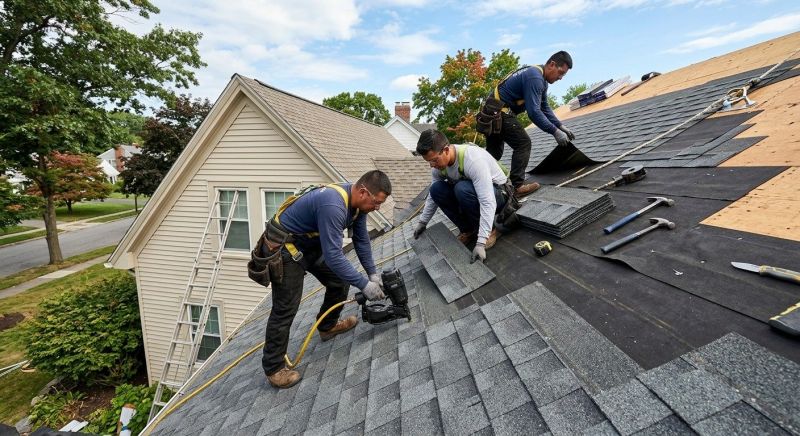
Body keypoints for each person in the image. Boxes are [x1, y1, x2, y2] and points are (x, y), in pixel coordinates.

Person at [258, 170, 390, 388]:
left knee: (339, 281)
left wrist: (372, 273)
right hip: (285, 248)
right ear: (364, 192)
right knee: (285, 308)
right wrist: (365, 285)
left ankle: (327, 326)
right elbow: (334, 256)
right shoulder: (334, 205)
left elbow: (361, 240)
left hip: (308, 244)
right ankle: (273, 369)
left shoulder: (357, 205)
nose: (377, 208)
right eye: (376, 202)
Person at [484, 50, 576, 197]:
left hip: (493, 112)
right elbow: (534, 113)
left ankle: (476, 177)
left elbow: (544, 107)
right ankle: (518, 186)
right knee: (523, 143)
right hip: (499, 112)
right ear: (552, 64)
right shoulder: (535, 78)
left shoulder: (541, 80)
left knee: (494, 153)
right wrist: (555, 132)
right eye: (560, 73)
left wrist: (560, 126)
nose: (560, 78)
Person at [413, 129, 510, 263]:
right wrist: (423, 222)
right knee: (436, 189)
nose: (432, 165)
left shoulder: (473, 160)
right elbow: (433, 196)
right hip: (474, 195)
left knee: (461, 188)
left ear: (446, 150)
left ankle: (490, 231)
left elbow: (488, 201)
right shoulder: (438, 167)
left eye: (434, 160)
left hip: (499, 195)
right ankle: (469, 230)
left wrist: (481, 242)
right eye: (429, 161)